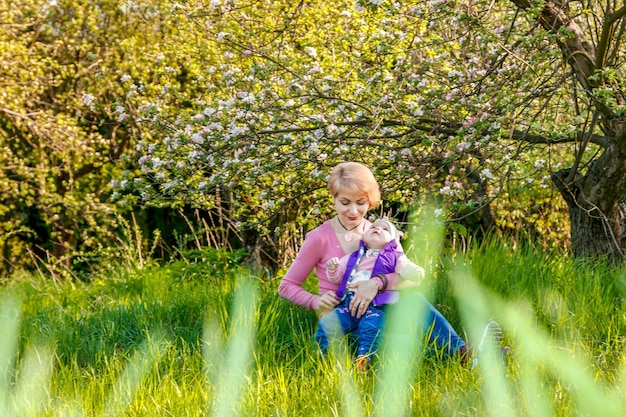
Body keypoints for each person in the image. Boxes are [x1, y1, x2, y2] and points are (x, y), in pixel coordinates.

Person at [277, 162, 501, 369]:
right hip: (346, 318)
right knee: (398, 343)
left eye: (360, 203)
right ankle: (478, 358)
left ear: (370, 201)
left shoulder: (379, 231)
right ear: (333, 200)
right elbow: (286, 286)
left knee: (414, 301)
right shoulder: (319, 238)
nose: (353, 211)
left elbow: (410, 277)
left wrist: (377, 282)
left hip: (383, 309)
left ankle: (465, 353)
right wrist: (316, 301)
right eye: (345, 203)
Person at [316, 218, 425, 370]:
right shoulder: (353, 257)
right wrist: (333, 268)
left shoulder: (395, 256)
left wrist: (415, 272)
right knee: (328, 323)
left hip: (375, 306)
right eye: (373, 226)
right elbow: (337, 277)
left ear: (393, 240)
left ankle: (364, 359)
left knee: (370, 329)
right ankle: (323, 355)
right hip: (348, 303)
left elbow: (405, 268)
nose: (378, 229)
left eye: (385, 229)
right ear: (364, 237)